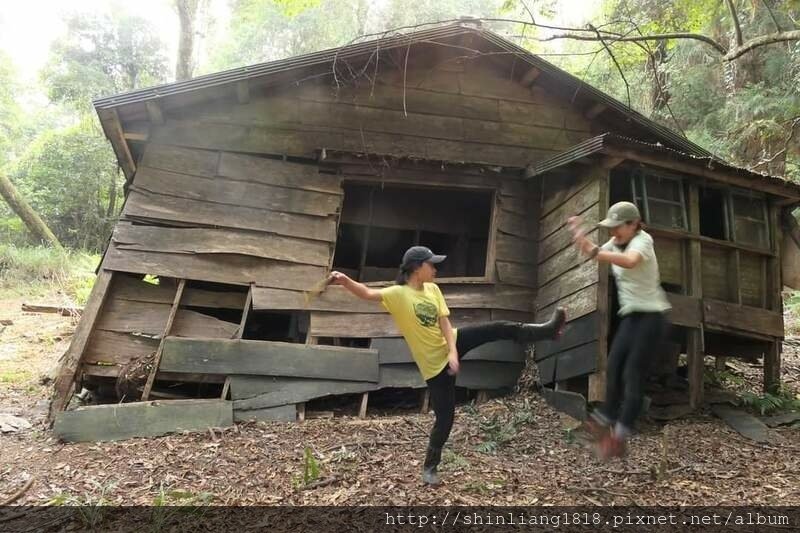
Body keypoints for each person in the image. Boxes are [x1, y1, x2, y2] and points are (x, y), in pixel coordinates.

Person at [329, 245, 566, 485]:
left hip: (451, 342)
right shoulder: (398, 294)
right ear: (416, 267)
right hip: (434, 366)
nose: (435, 269)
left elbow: (444, 323)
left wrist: (453, 352)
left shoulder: (432, 289)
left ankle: (546, 331)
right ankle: (430, 467)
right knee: (445, 417)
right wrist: (345, 279)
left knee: (497, 328)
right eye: (431, 264)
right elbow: (367, 294)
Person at [567, 201, 671, 460]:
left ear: (633, 224)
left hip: (652, 317)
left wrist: (594, 251)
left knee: (632, 374)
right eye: (611, 228)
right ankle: (604, 420)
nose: (614, 233)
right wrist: (580, 236)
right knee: (612, 368)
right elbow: (592, 251)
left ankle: (620, 436)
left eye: (618, 227)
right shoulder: (615, 243)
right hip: (630, 317)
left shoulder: (642, 241)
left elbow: (629, 261)